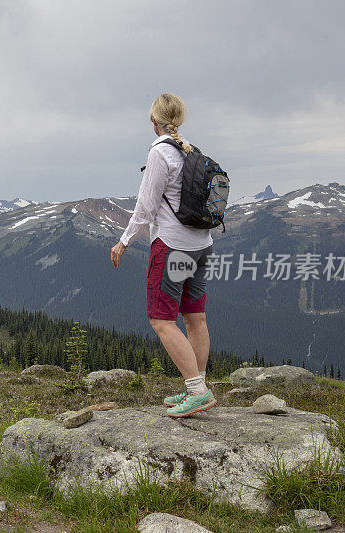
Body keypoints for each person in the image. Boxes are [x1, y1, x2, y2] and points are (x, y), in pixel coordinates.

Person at [110, 93, 216, 418]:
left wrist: (124, 241)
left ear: (153, 122)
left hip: (171, 246)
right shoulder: (192, 150)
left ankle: (197, 392)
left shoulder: (160, 153)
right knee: (195, 317)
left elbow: (146, 205)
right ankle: (196, 385)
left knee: (161, 320)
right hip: (201, 245)